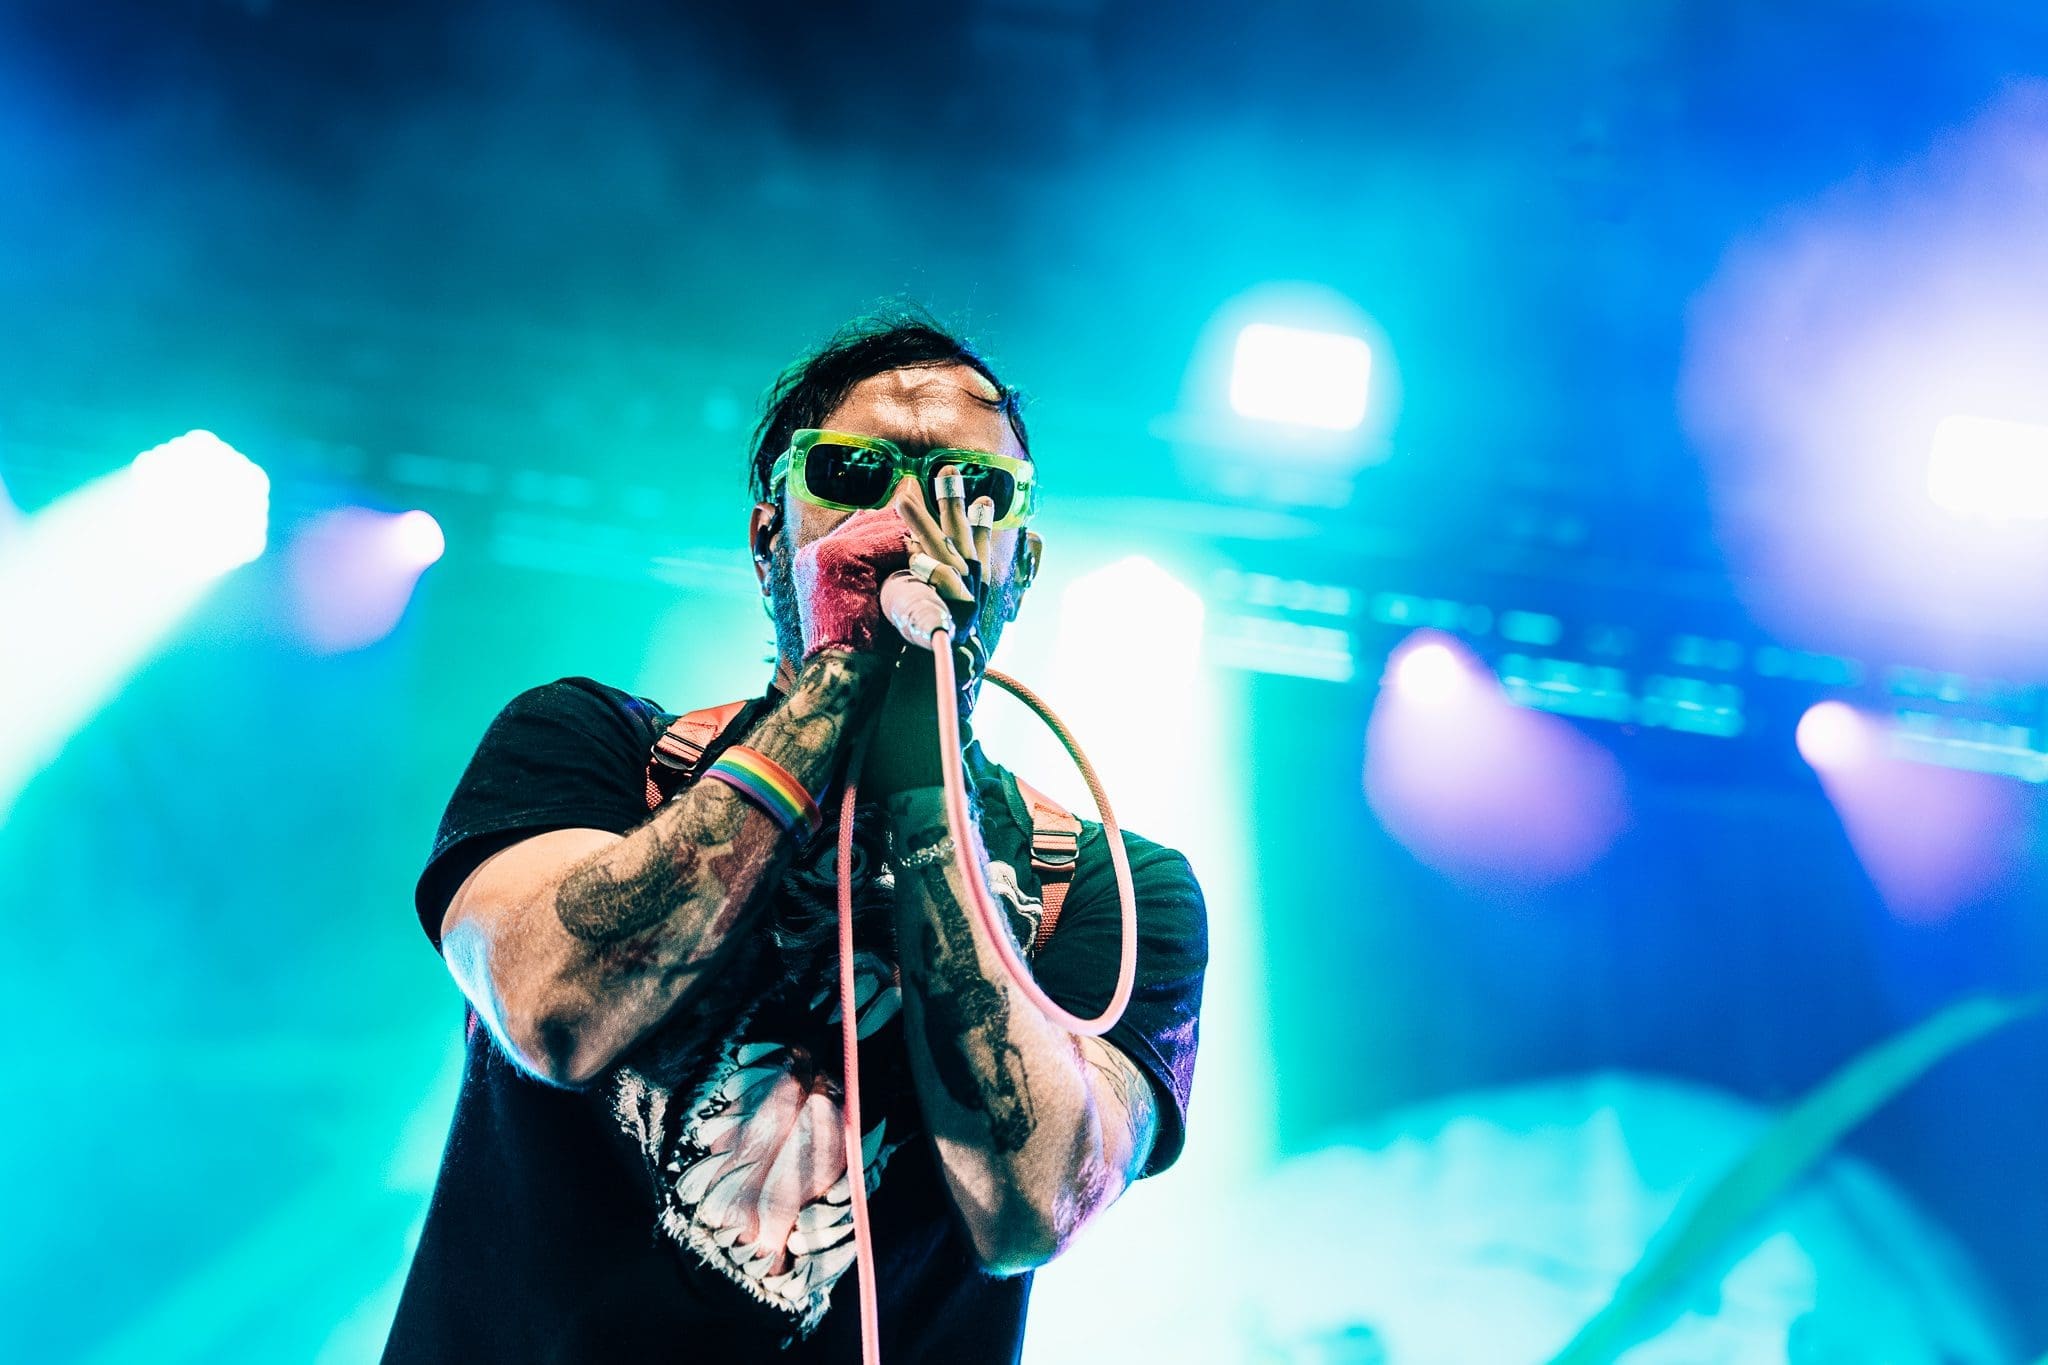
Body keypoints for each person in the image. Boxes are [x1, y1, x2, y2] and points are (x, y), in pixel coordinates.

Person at [383, 314, 1209, 1363]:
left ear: (1021, 562)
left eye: (971, 491)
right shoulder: (592, 747)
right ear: (769, 536)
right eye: (851, 474)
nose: (907, 519)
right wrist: (838, 678)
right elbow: (553, 1011)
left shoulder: (1112, 887)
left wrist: (926, 789)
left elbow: (1032, 1207)